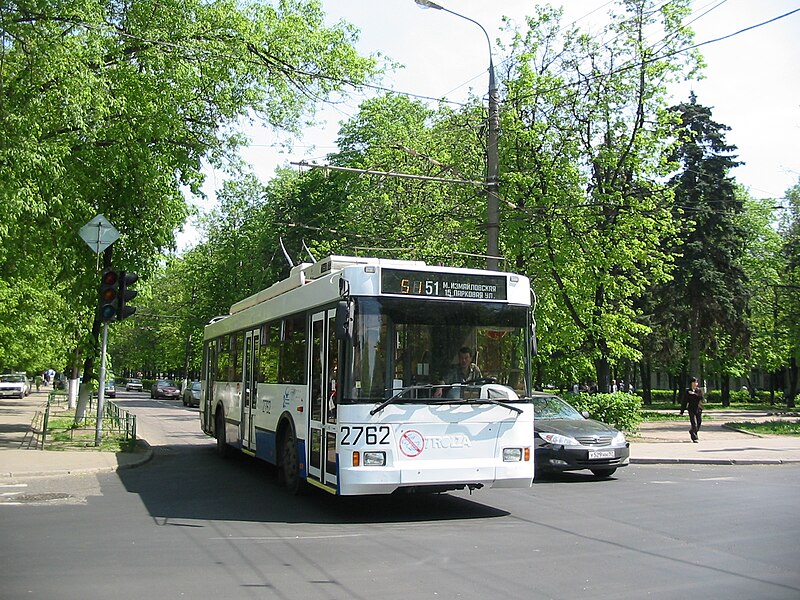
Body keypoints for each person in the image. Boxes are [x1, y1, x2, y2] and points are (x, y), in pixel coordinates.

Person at [680, 376, 704, 442]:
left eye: (696, 382)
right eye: (694, 382)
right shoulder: (687, 391)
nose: (695, 384)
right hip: (691, 409)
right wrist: (682, 411)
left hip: (698, 408)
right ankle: (694, 438)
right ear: (691, 383)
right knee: (694, 424)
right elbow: (684, 401)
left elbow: (701, 397)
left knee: (699, 422)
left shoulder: (699, 390)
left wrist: (694, 394)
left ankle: (692, 431)